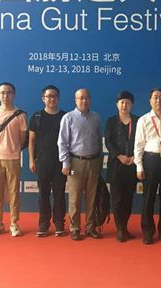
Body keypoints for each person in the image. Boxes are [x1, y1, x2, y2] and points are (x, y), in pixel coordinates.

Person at [58, 88, 103, 240]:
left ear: (90, 99)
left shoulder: (96, 117)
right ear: (75, 100)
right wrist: (65, 163)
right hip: (75, 163)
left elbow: (98, 140)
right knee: (75, 197)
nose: (84, 100)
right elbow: (62, 142)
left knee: (92, 197)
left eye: (87, 97)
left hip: (94, 162)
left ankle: (90, 227)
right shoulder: (68, 118)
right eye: (81, 98)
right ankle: (75, 228)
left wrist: (99, 160)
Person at [134, 88, 161, 244]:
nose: (158, 100)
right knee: (148, 198)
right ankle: (148, 232)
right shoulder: (143, 120)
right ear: (150, 101)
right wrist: (139, 166)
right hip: (150, 161)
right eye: (155, 97)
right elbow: (138, 145)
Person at [0, 82, 28, 237]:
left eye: (9, 92)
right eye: (2, 93)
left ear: (14, 95)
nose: (5, 95)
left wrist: (12, 149)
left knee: (14, 192)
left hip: (13, 158)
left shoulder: (20, 115)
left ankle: (14, 223)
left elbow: (23, 139)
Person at [29, 85, 67, 238]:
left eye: (54, 96)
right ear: (43, 98)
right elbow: (31, 140)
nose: (52, 99)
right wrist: (31, 160)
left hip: (61, 163)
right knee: (43, 194)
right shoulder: (37, 116)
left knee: (59, 195)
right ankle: (43, 224)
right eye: (48, 96)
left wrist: (67, 162)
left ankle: (59, 223)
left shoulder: (65, 116)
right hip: (42, 162)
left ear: (58, 98)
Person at [104, 91, 139, 242]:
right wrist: (119, 156)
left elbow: (141, 141)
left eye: (128, 102)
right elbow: (108, 142)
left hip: (132, 164)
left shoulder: (138, 121)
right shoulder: (111, 121)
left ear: (132, 105)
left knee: (128, 199)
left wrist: (134, 157)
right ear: (117, 104)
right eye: (122, 102)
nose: (124, 105)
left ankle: (124, 227)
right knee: (117, 199)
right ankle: (119, 229)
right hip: (116, 165)